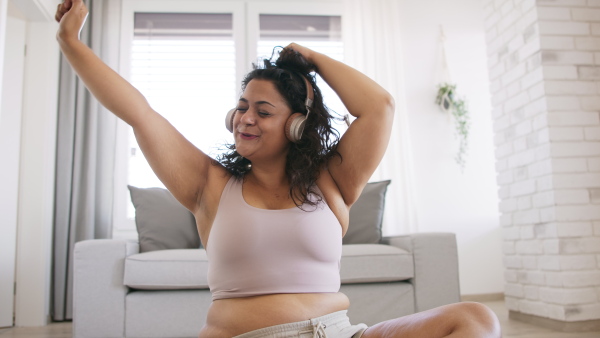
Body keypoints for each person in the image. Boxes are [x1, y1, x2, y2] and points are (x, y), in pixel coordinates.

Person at [55, 0, 502, 337]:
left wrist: (309, 57)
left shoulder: (330, 182)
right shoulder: (209, 185)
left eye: (263, 111)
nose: (245, 118)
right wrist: (70, 42)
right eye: (241, 107)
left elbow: (379, 107)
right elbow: (140, 112)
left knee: (474, 317)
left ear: (296, 124)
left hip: (340, 332)